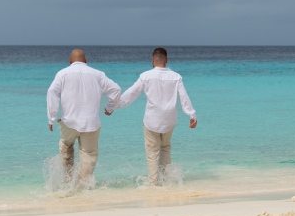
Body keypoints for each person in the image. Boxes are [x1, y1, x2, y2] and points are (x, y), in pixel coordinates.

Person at [109, 47, 197, 185]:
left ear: (153, 60)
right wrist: (192, 115)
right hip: (169, 120)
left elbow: (132, 93)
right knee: (165, 148)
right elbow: (184, 97)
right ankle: (167, 181)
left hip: (152, 120)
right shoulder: (176, 77)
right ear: (166, 60)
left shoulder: (145, 76)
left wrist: (115, 105)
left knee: (152, 153)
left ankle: (153, 183)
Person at [47, 48, 121, 185]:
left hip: (69, 122)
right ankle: (83, 187)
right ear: (86, 61)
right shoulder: (98, 75)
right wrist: (110, 108)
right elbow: (116, 90)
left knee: (66, 146)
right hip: (91, 124)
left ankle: (68, 182)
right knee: (89, 155)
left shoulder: (62, 74)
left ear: (70, 62)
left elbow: (52, 92)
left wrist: (51, 117)